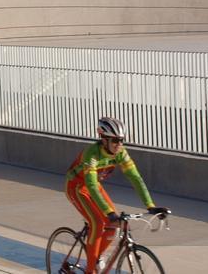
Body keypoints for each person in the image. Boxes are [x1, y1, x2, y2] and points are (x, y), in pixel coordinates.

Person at [65, 116, 168, 274]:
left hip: (93, 186)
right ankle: (90, 270)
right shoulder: (92, 154)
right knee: (98, 223)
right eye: (114, 140)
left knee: (114, 226)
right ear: (104, 139)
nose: (119, 144)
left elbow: (136, 178)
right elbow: (90, 185)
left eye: (121, 140)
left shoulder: (120, 153)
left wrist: (150, 205)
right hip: (77, 187)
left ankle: (96, 256)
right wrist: (109, 212)